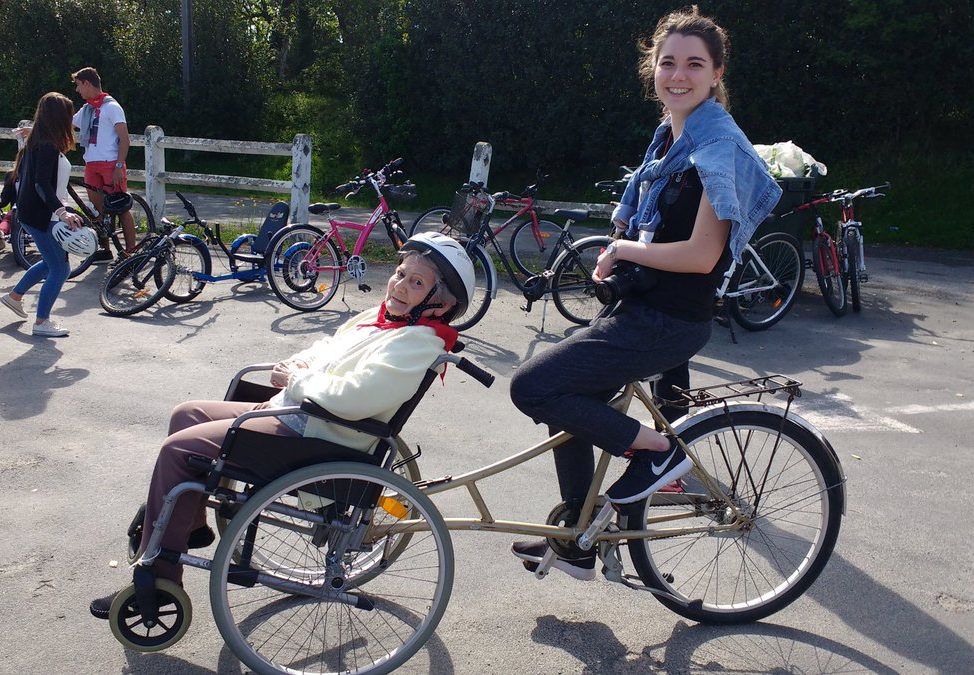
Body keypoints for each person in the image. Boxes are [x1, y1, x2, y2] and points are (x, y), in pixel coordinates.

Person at [508, 6, 781, 580]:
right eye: (668, 63)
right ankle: (579, 539)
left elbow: (703, 254)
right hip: (643, 310)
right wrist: (623, 248)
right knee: (571, 408)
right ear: (652, 70)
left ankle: (662, 455)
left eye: (694, 65)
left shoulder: (716, 151)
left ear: (716, 74)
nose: (678, 75)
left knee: (532, 385)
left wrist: (626, 251)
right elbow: (655, 229)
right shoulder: (668, 144)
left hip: (669, 322)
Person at [88, 232, 475, 617]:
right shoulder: (379, 320)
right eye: (401, 273)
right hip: (297, 413)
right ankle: (188, 525)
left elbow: (354, 397)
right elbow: (324, 348)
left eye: (416, 282)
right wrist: (297, 365)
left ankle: (159, 576)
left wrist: (296, 379)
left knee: (179, 451)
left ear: (439, 305)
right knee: (186, 414)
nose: (400, 285)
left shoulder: (417, 343)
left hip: (318, 434)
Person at [0, 92, 85, 337]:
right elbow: (42, 184)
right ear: (59, 118)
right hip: (42, 215)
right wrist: (62, 212)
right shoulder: (46, 146)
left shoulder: (40, 141)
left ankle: (15, 297)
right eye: (69, 115)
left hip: (35, 213)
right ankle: (42, 322)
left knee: (49, 263)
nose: (72, 121)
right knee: (60, 269)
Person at [71, 66, 135, 260]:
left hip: (110, 163)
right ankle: (105, 249)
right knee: (97, 209)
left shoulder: (111, 107)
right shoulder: (87, 109)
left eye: (78, 85)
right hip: (92, 163)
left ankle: (131, 252)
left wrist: (118, 165)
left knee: (121, 207)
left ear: (87, 83)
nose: (77, 90)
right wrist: (35, 131)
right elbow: (66, 125)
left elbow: (125, 139)